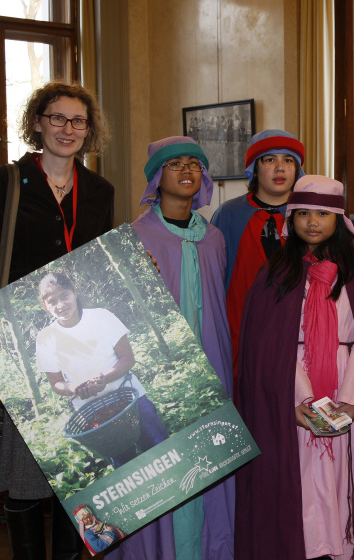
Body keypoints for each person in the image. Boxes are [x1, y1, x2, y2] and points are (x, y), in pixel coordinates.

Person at [235, 175, 354, 559]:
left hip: (344, 394)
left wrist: (353, 402)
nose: (312, 221)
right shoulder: (275, 274)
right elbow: (267, 351)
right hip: (293, 398)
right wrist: (299, 401)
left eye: (322, 213)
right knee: (301, 485)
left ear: (339, 220)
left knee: (343, 479)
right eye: (303, 213)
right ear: (290, 219)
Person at [0, 81, 114, 560]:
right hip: (19, 343)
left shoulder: (100, 190)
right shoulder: (2, 184)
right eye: (57, 118)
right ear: (37, 122)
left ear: (89, 129)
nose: (68, 128)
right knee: (26, 468)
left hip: (78, 340)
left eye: (78, 120)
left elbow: (98, 266)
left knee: (78, 466)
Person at [107, 136, 235, 559]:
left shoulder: (214, 238)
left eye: (195, 163)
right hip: (159, 377)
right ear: (156, 177)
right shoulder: (132, 238)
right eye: (175, 163)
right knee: (164, 466)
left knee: (210, 467)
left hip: (213, 367)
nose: (186, 170)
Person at [36, 271, 169, 468]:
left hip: (132, 399)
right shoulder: (46, 338)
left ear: (74, 292)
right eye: (52, 301)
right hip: (93, 413)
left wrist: (105, 377)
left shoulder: (101, 317)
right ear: (45, 306)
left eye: (64, 296)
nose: (60, 305)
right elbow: (56, 383)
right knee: (127, 467)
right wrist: (74, 388)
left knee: (162, 450)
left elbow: (128, 358)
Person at [210, 129, 306, 381]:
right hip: (241, 332)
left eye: (288, 160)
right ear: (254, 167)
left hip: (297, 331)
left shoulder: (310, 216)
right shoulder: (228, 215)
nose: (280, 168)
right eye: (269, 159)